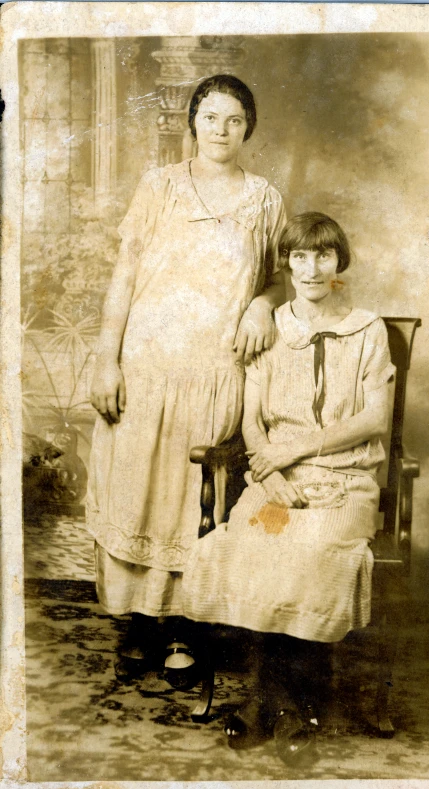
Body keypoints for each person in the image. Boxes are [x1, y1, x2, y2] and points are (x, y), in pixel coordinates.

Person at [86, 75, 287, 678]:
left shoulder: (264, 198)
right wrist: (106, 357)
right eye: (210, 118)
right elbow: (124, 274)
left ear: (248, 127)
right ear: (192, 123)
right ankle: (139, 623)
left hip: (214, 373)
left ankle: (182, 626)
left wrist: (259, 304)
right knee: (139, 490)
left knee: (191, 495)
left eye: (233, 120)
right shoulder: (160, 186)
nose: (221, 130)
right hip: (147, 367)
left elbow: (276, 277)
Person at [182, 211, 396, 765]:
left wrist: (298, 450)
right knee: (254, 541)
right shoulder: (272, 327)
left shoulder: (368, 330)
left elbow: (376, 419)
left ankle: (288, 706)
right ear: (288, 264)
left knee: (314, 550)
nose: (310, 267)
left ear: (338, 262)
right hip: (278, 486)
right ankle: (274, 700)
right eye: (298, 256)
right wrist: (269, 473)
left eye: (322, 255)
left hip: (343, 486)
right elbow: (253, 421)